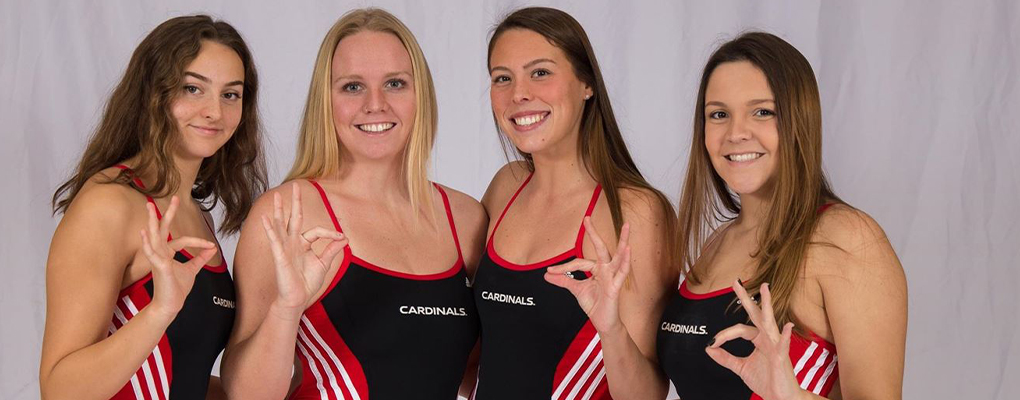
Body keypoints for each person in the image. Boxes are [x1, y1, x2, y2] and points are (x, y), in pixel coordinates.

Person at [551, 32, 908, 400]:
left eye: (762, 112)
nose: (736, 133)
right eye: (719, 114)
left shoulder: (846, 237)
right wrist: (610, 328)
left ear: (800, 119)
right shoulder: (717, 244)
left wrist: (791, 396)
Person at [220, 8, 487, 400]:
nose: (375, 104)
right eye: (352, 86)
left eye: (395, 83)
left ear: (421, 95)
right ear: (325, 101)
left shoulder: (465, 219)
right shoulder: (288, 213)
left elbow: (481, 372)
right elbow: (247, 395)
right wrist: (287, 307)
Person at [41, 15, 266, 400]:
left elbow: (177, 374)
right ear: (152, 94)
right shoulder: (110, 204)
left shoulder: (197, 215)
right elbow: (60, 390)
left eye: (231, 94)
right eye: (193, 89)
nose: (215, 111)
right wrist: (159, 311)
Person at [473, 6, 678, 399]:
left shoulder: (634, 211)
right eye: (503, 78)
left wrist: (611, 328)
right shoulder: (505, 188)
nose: (519, 94)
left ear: (587, 84)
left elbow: (648, 394)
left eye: (540, 72)